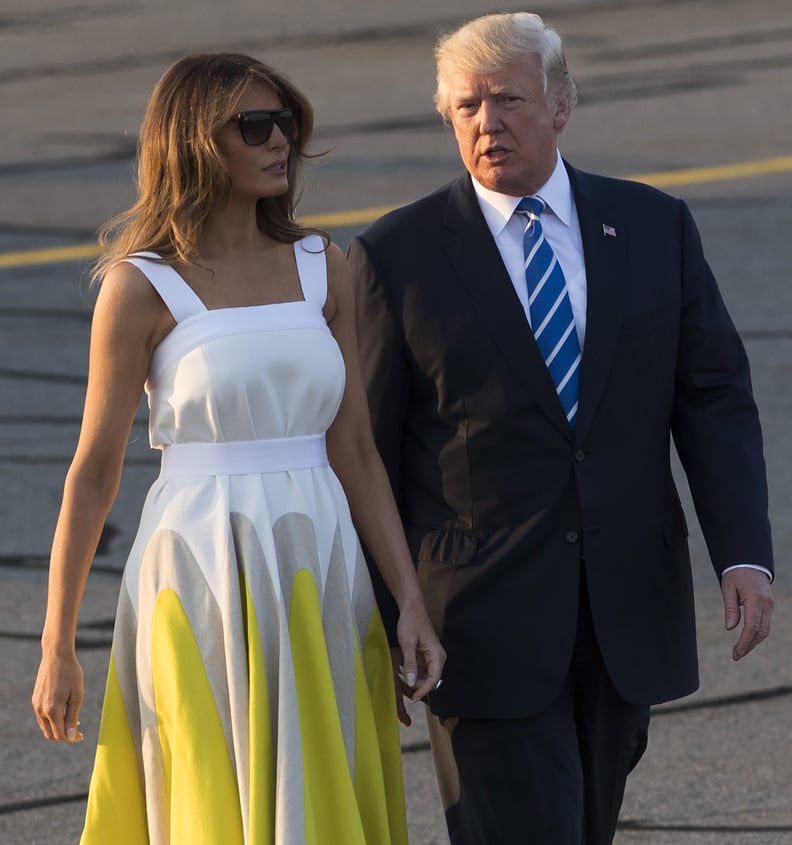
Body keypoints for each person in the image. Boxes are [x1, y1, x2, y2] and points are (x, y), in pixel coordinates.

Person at [346, 12, 775, 845]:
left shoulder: (654, 228)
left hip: (621, 613)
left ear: (561, 105)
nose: (486, 122)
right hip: (478, 624)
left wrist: (743, 552)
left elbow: (714, 396)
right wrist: (386, 609)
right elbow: (368, 452)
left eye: (506, 99)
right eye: (465, 107)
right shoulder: (395, 257)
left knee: (586, 826)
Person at [31, 52, 444, 844]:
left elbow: (355, 448)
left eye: (286, 120)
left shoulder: (326, 265)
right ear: (193, 142)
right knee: (210, 789)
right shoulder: (140, 285)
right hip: (198, 563)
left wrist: (411, 601)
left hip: (319, 557)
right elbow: (93, 472)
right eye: (253, 125)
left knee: (319, 784)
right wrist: (57, 645)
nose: (279, 139)